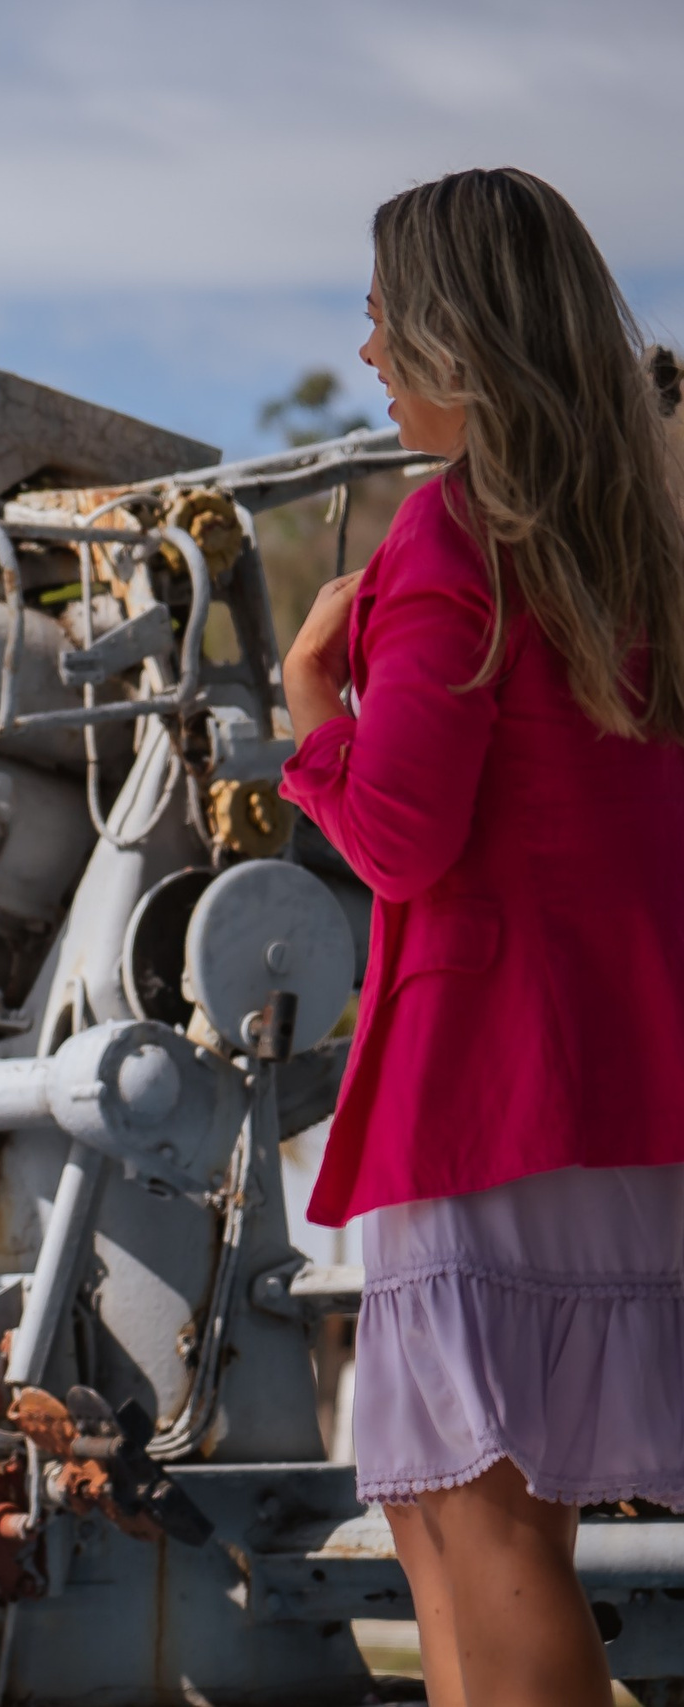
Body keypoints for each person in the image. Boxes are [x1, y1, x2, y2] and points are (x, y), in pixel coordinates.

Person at [280, 168, 684, 1707]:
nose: (370, 351)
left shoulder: (455, 529)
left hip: (486, 1078)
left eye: (386, 316)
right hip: (613, 1077)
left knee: (476, 1512)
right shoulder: (631, 534)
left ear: (457, 332)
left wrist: (315, 711)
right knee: (464, 1508)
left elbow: (399, 837)